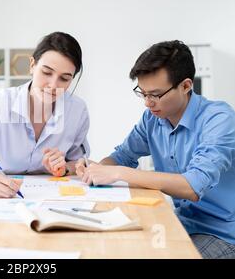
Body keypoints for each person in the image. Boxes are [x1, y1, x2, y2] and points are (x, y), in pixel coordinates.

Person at [76, 40, 235, 259]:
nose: (148, 103)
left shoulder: (218, 119)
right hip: (181, 221)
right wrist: (96, 170)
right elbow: (122, 156)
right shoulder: (153, 119)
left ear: (186, 86)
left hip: (222, 233)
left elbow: (193, 185)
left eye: (156, 94)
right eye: (143, 93)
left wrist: (121, 173)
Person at [0, 32, 91, 198]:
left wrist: (64, 169)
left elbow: (78, 163)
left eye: (64, 79)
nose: (53, 85)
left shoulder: (77, 111)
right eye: (47, 73)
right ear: (32, 65)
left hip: (49, 199)